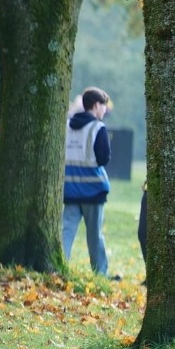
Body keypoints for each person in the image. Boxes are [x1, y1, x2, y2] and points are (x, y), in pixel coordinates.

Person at [62, 87, 112, 277]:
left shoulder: (67, 126)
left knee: (66, 231)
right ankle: (100, 273)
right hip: (93, 190)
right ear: (96, 105)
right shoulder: (98, 128)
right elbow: (103, 159)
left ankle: (59, 265)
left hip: (70, 188)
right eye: (103, 106)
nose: (105, 110)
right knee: (94, 235)